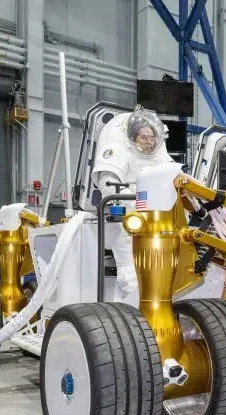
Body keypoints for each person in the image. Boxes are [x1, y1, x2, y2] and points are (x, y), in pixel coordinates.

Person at [91, 105, 174, 305]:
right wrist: (133, 202)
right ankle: (131, 295)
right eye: (144, 137)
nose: (149, 141)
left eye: (152, 137)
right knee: (129, 263)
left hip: (158, 217)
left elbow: (178, 181)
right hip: (129, 217)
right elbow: (108, 184)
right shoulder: (120, 153)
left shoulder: (161, 158)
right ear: (133, 137)